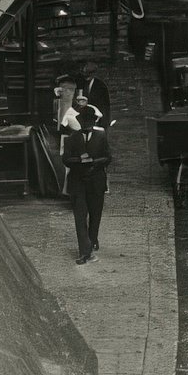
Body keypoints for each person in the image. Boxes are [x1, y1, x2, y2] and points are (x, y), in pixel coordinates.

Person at [62, 104, 111, 265]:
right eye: (83, 120)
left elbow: (108, 157)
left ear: (93, 121)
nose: (86, 123)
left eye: (89, 120)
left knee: (95, 215)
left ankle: (92, 238)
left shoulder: (101, 136)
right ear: (79, 121)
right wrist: (80, 161)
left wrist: (94, 163)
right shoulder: (71, 138)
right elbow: (66, 160)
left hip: (96, 181)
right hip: (78, 183)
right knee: (80, 217)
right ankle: (85, 251)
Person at [76, 60, 111, 128]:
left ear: (94, 73)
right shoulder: (80, 83)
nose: (86, 77)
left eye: (89, 74)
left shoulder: (101, 86)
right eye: (85, 74)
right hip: (83, 116)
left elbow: (105, 107)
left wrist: (104, 123)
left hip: (96, 118)